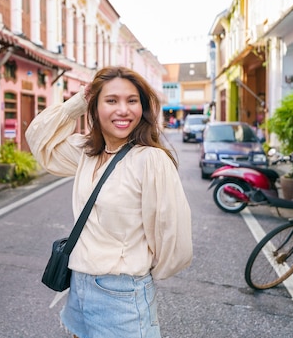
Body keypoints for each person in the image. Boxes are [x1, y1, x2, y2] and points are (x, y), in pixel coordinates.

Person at [26, 66, 192, 338]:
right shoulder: (86, 153)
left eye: (132, 100)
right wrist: (78, 101)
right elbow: (37, 140)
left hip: (122, 295)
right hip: (79, 284)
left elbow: (174, 236)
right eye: (111, 100)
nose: (123, 110)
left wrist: (134, 274)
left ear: (143, 108)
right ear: (95, 108)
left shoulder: (150, 160)